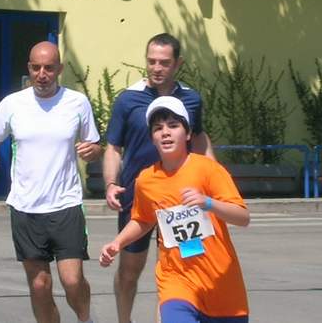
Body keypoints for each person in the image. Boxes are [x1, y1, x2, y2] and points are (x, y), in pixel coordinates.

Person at [0, 41, 102, 322]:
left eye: (48, 68)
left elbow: (94, 146)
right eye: (36, 67)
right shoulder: (12, 104)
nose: (42, 74)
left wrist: (93, 151)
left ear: (59, 69)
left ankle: (85, 318)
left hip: (65, 206)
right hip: (25, 208)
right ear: (29, 68)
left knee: (72, 282)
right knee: (39, 285)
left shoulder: (76, 102)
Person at [100, 96, 250, 323]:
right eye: (158, 128)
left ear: (188, 134)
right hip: (177, 280)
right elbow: (142, 219)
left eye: (173, 125)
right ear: (152, 137)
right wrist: (117, 243)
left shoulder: (208, 170)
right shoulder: (146, 179)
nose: (165, 133)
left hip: (221, 282)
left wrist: (207, 203)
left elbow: (242, 217)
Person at [103, 33, 213, 323]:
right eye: (151, 61)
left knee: (185, 268)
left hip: (182, 201)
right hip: (138, 197)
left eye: (164, 62)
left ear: (178, 63)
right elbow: (113, 147)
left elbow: (199, 138)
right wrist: (111, 184)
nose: (156, 68)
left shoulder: (191, 99)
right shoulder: (128, 100)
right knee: (129, 269)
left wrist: (213, 180)